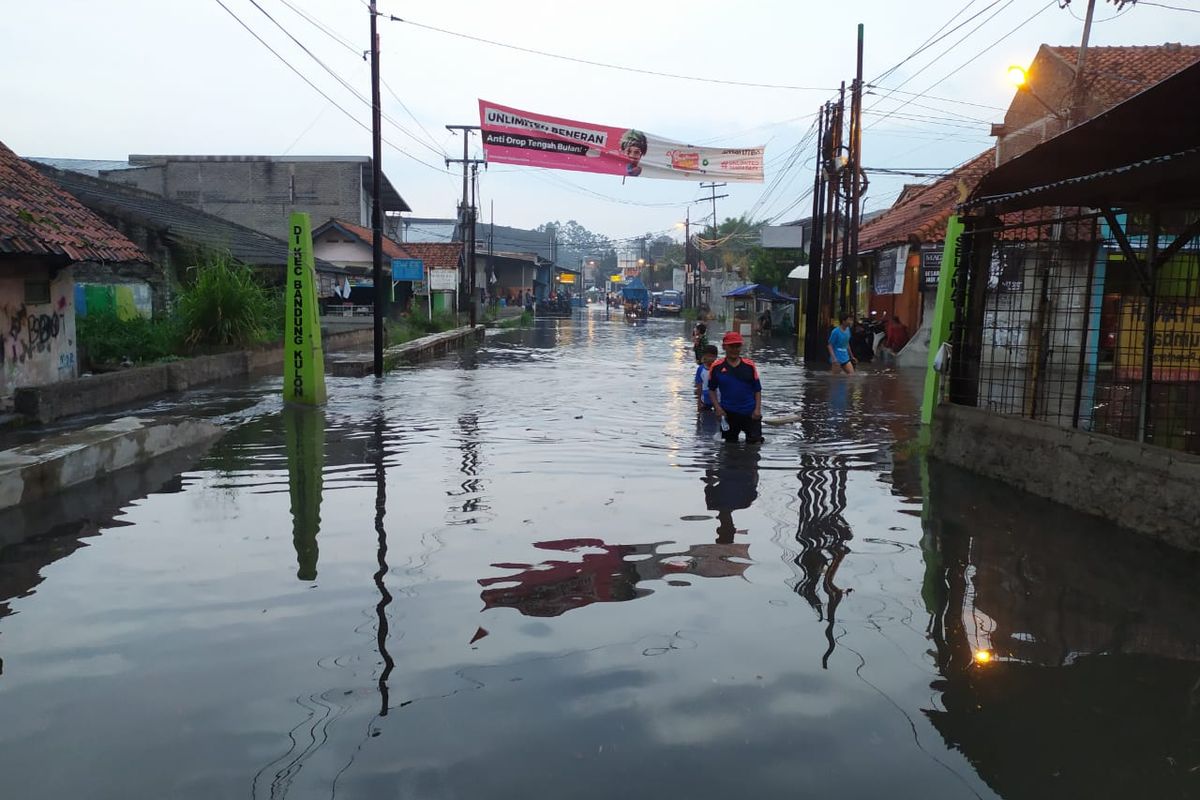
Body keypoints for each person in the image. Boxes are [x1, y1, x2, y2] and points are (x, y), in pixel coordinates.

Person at [708, 331, 763, 444]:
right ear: (724, 347)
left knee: (754, 445)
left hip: (750, 413)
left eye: (737, 346)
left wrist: (757, 410)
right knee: (730, 446)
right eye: (731, 346)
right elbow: (711, 389)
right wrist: (717, 408)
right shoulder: (716, 367)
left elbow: (757, 389)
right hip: (728, 414)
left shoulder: (749, 366)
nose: (734, 349)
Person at [694, 344, 718, 412]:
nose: (711, 359)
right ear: (704, 356)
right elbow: (699, 386)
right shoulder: (701, 369)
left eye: (713, 356)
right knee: (704, 415)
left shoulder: (718, 368)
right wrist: (699, 403)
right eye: (709, 356)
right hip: (705, 400)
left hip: (718, 399)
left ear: (716, 357)